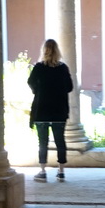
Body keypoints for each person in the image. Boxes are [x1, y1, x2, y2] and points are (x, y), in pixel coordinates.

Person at [28, 38, 73, 182]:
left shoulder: (39, 67)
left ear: (44, 51)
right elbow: (70, 87)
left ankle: (42, 171)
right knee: (60, 141)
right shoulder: (63, 68)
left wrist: (39, 91)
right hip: (59, 111)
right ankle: (61, 172)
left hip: (42, 110)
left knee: (42, 142)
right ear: (57, 51)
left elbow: (30, 82)